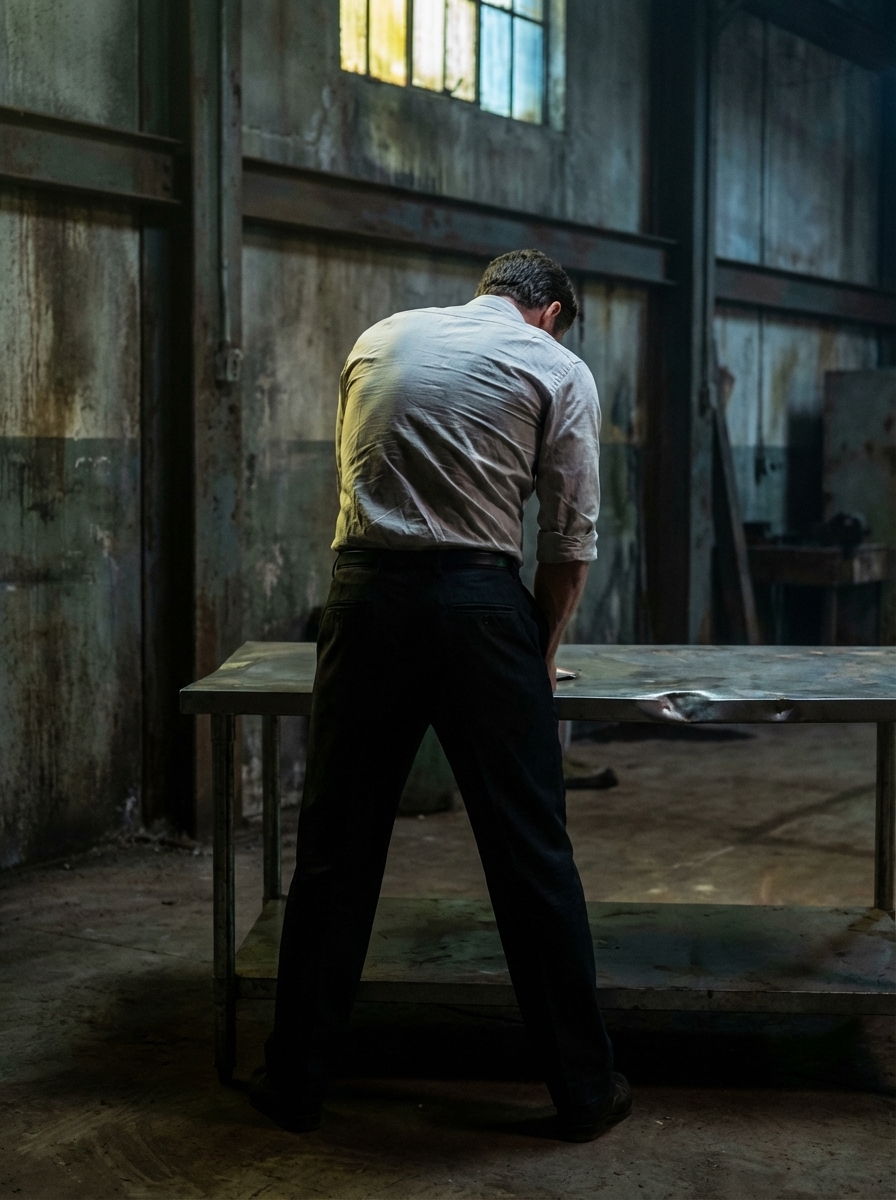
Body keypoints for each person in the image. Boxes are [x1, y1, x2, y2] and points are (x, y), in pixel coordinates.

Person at [249, 249, 632, 1142]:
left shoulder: (380, 339)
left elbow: (358, 479)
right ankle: (584, 1091)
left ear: (488, 292)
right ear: (552, 313)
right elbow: (568, 537)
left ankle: (294, 1083)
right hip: (478, 606)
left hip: (363, 599)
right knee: (530, 854)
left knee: (335, 852)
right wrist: (536, 654)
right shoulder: (555, 366)